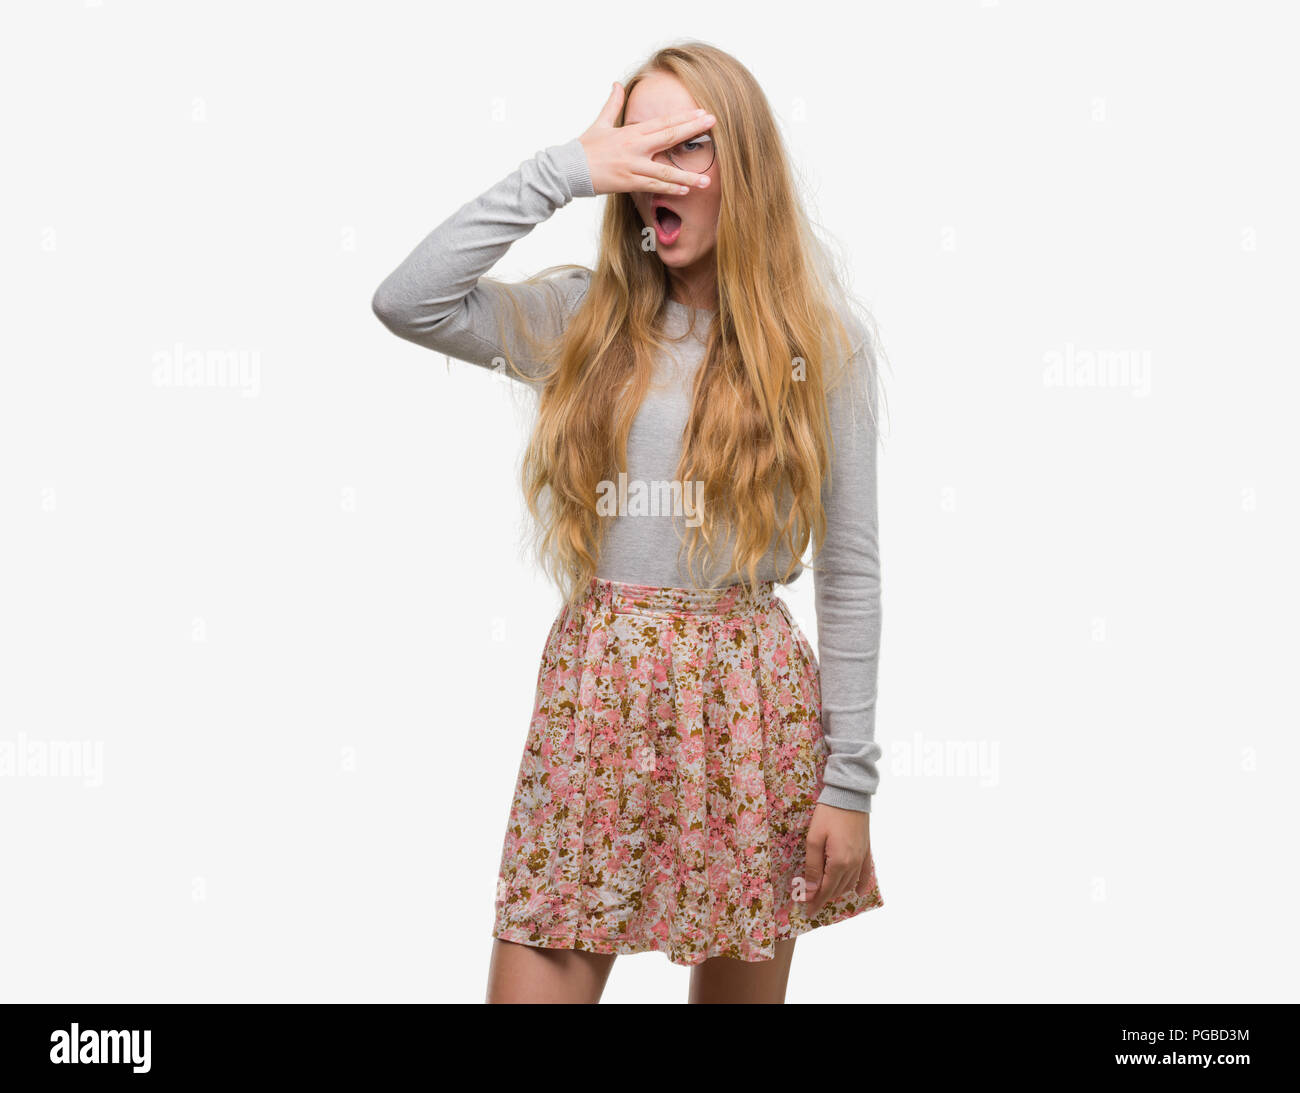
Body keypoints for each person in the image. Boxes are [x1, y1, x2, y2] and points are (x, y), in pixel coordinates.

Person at [372, 41, 886, 1004]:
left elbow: (849, 567)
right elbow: (408, 299)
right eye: (635, 143)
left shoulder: (821, 343)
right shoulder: (584, 321)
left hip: (749, 710)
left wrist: (849, 782)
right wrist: (565, 170)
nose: (655, 170)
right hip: (595, 703)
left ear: (747, 162)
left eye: (685, 144)